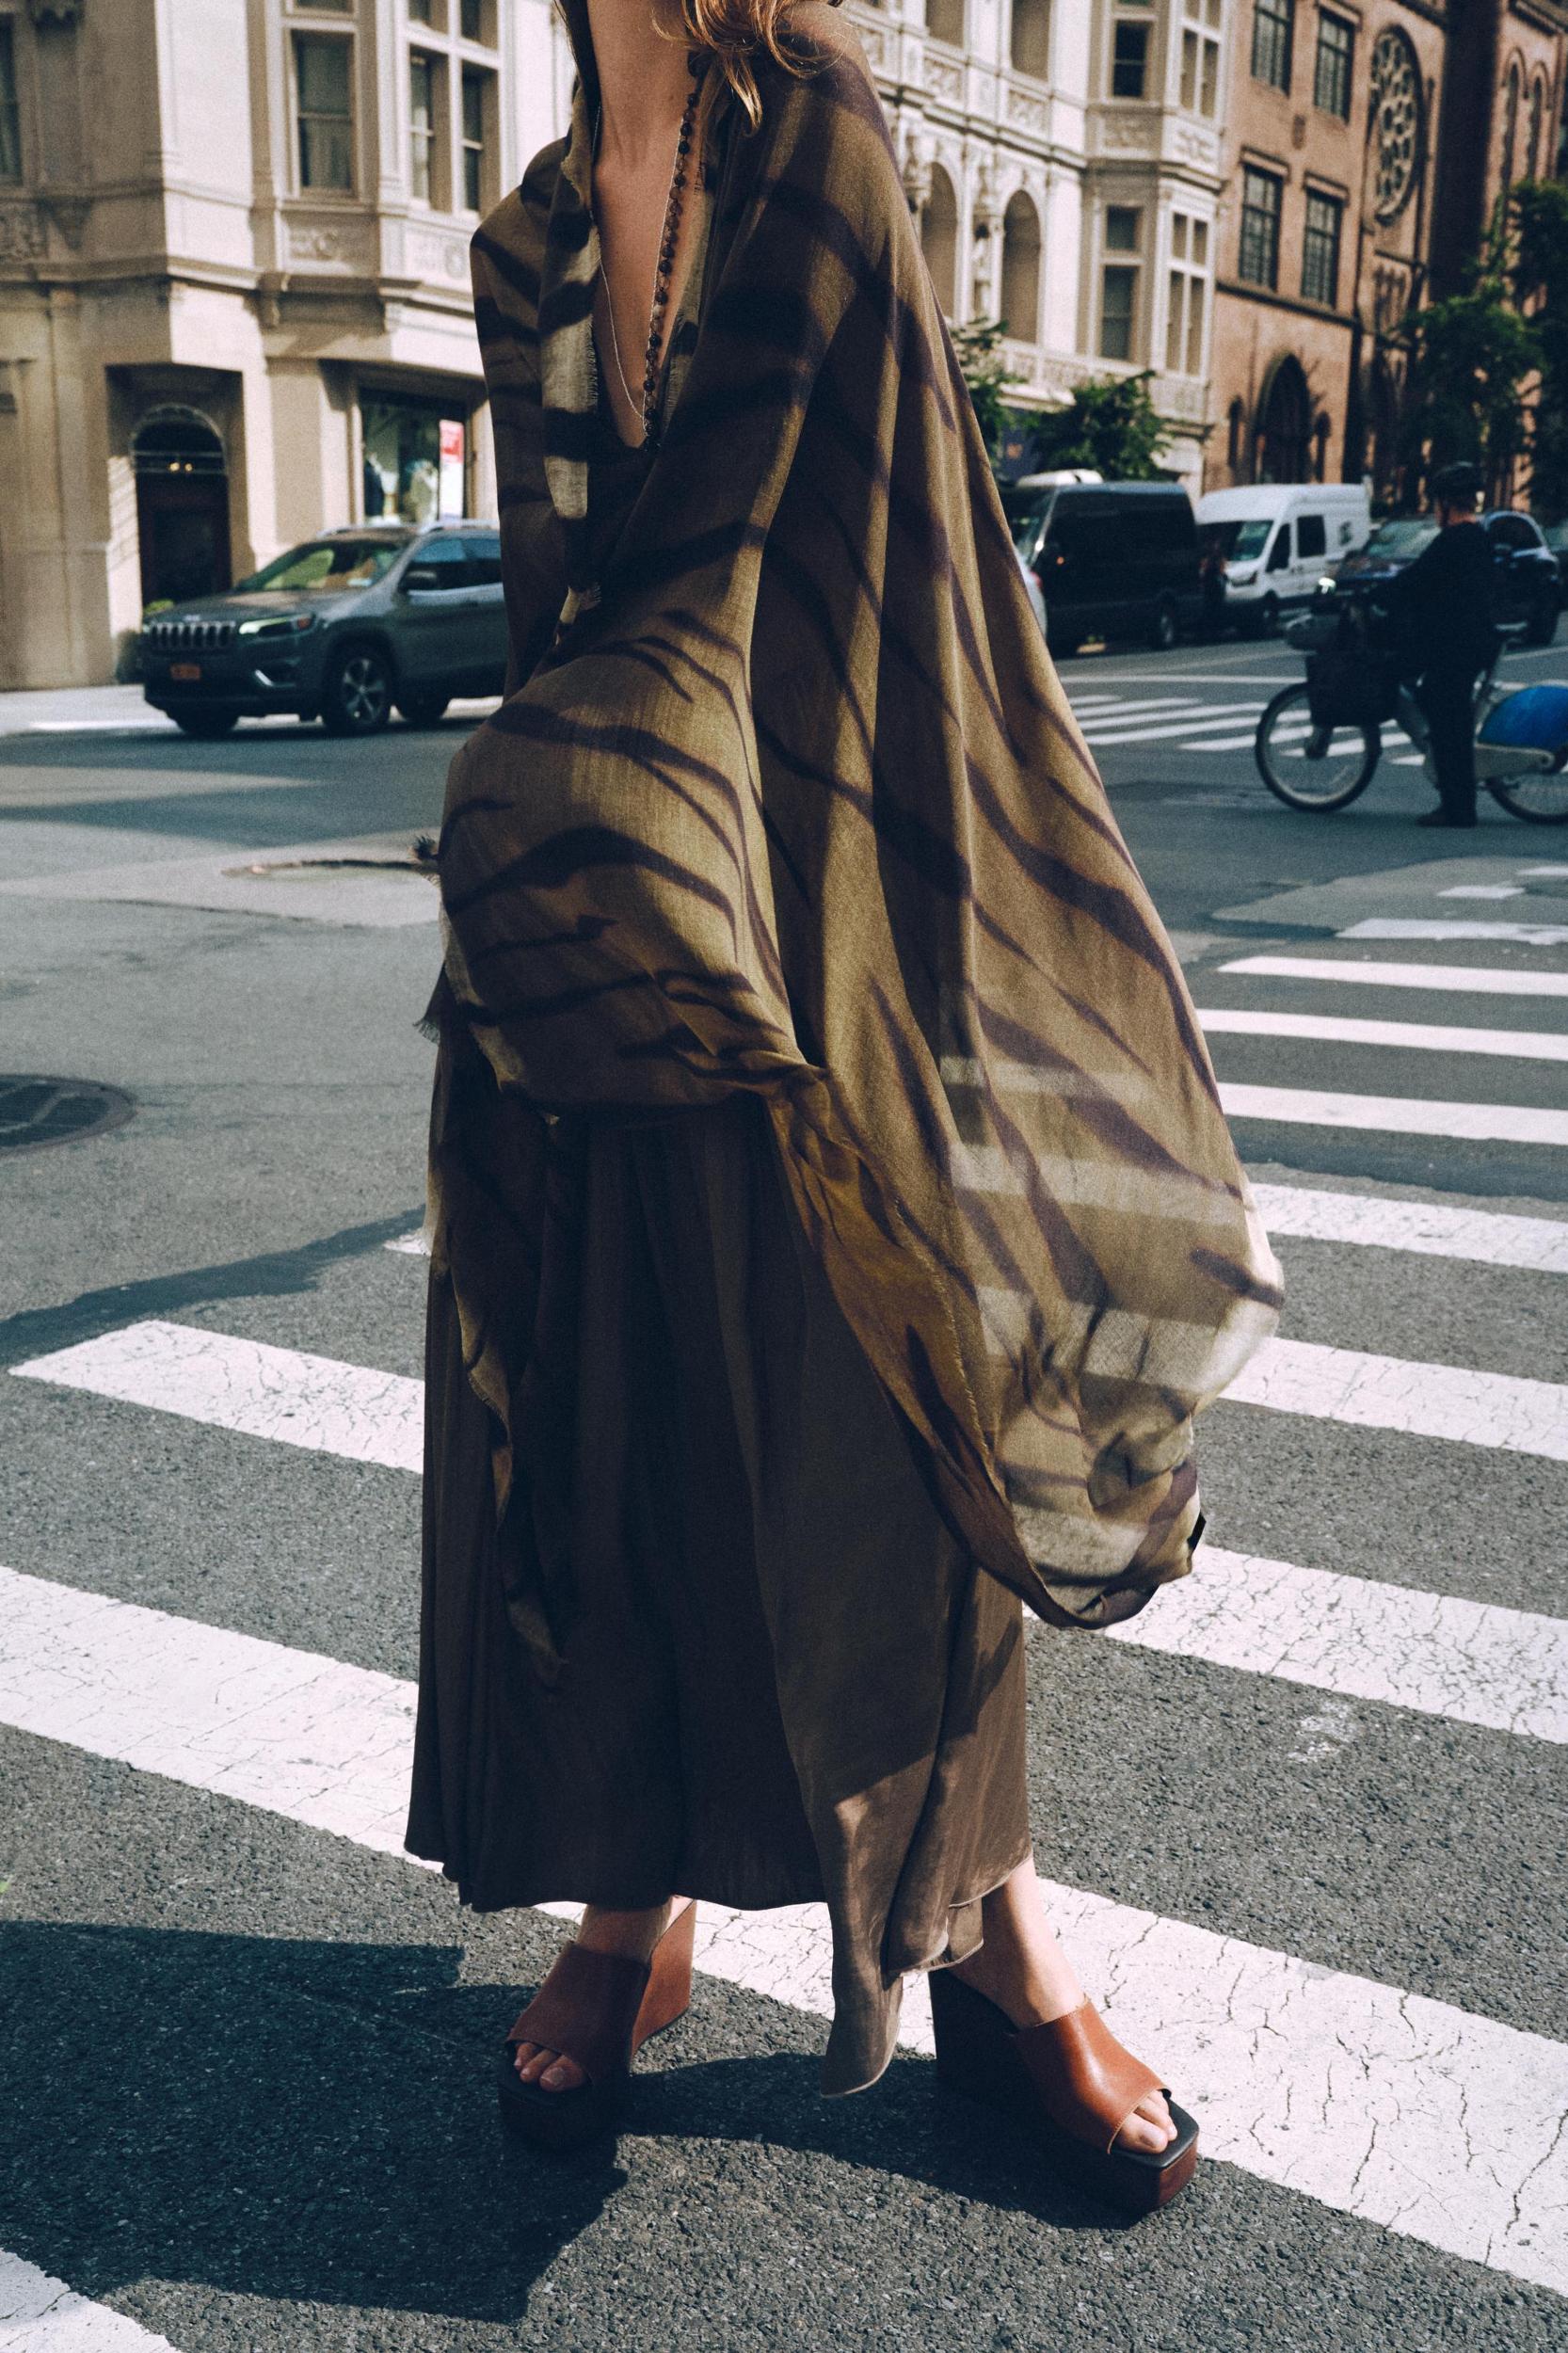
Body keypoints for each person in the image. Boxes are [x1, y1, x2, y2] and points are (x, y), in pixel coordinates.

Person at [406, 0, 1280, 2218]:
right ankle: (631, 1894)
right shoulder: (528, 241)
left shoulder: (818, 144)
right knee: (607, 1415)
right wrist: (544, 867)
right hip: (622, 918)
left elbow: (856, 575)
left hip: (830, 908)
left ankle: (990, 1939)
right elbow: (557, 614)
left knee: (884, 1433)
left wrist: (592, 785)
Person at [1379, 460, 1499, 828]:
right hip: (1471, 642)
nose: (1435, 511)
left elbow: (1416, 580)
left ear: (1446, 503)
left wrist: (1377, 596)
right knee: (1445, 709)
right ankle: (1456, 798)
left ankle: (1458, 808)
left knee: (1448, 720)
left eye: (1437, 503)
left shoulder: (1453, 541)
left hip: (1457, 647)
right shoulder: (1477, 538)